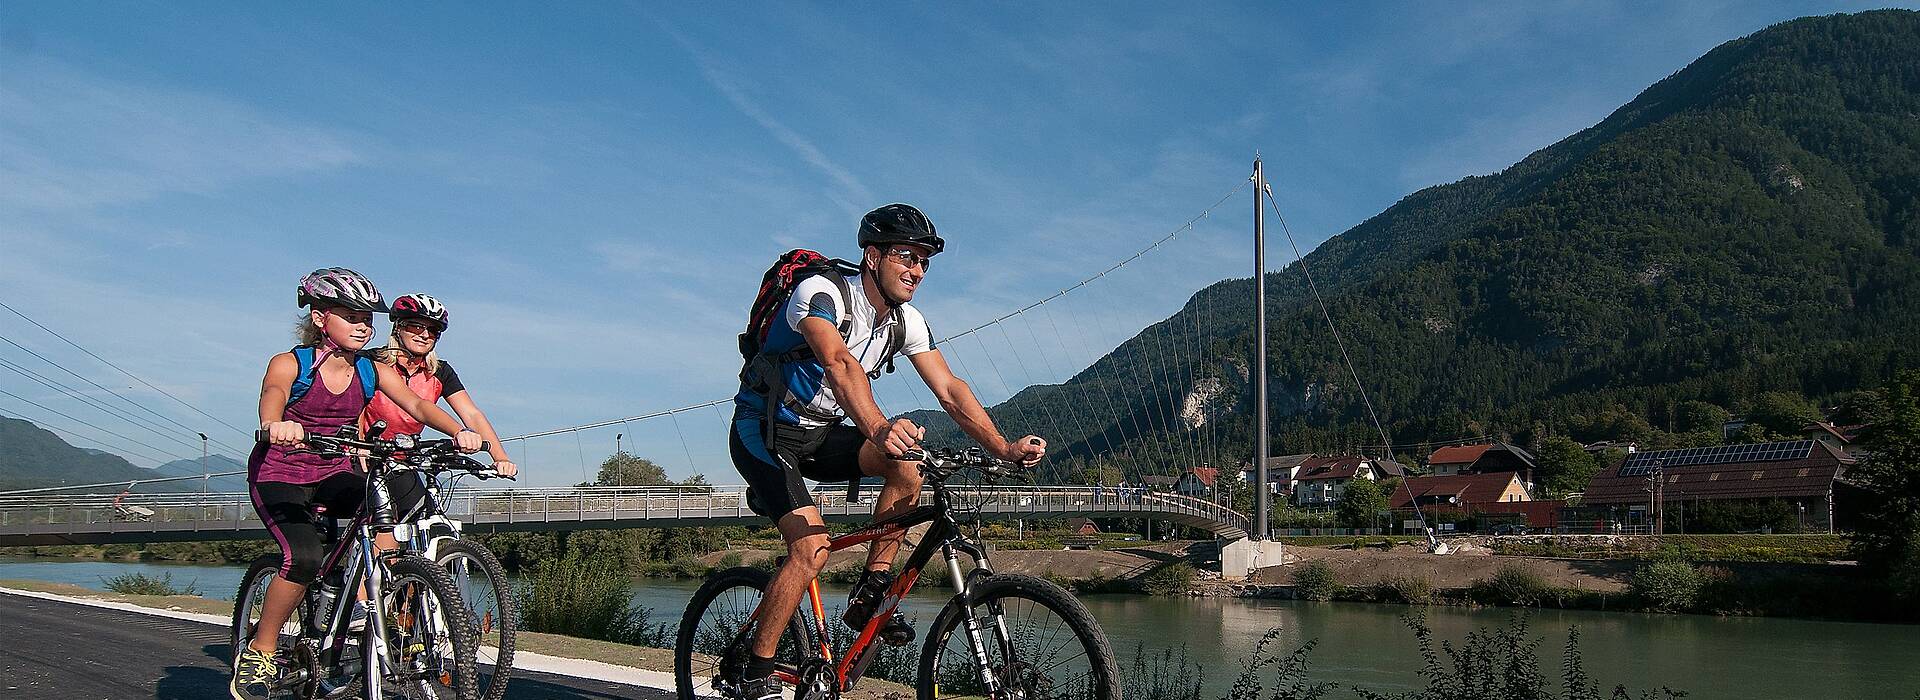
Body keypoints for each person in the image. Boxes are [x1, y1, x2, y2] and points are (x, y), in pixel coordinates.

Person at [728, 203, 1047, 700]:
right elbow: (837, 361)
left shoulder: (907, 321)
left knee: (909, 464)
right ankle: (753, 670)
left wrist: (1003, 447)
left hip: (824, 435)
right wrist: (877, 427)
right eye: (906, 256)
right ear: (873, 257)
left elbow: (951, 390)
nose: (917, 270)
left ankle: (871, 589)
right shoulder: (821, 293)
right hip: (765, 433)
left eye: (924, 261)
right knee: (810, 551)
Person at [234, 268, 482, 700]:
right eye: (351, 315)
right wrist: (274, 424)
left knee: (383, 508)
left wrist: (457, 431)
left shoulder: (369, 370)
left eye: (368, 316)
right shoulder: (291, 362)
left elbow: (419, 406)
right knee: (305, 556)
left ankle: (366, 598)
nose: (364, 324)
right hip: (281, 474)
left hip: (334, 471)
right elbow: (273, 392)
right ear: (319, 318)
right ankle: (261, 648)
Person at [359, 293, 517, 531]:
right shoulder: (370, 361)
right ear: (398, 326)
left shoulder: (440, 372)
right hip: (364, 455)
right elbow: (351, 406)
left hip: (403, 459)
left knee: (420, 517)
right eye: (416, 326)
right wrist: (357, 445)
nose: (424, 335)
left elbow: (472, 414)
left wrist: (500, 458)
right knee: (386, 526)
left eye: (433, 330)